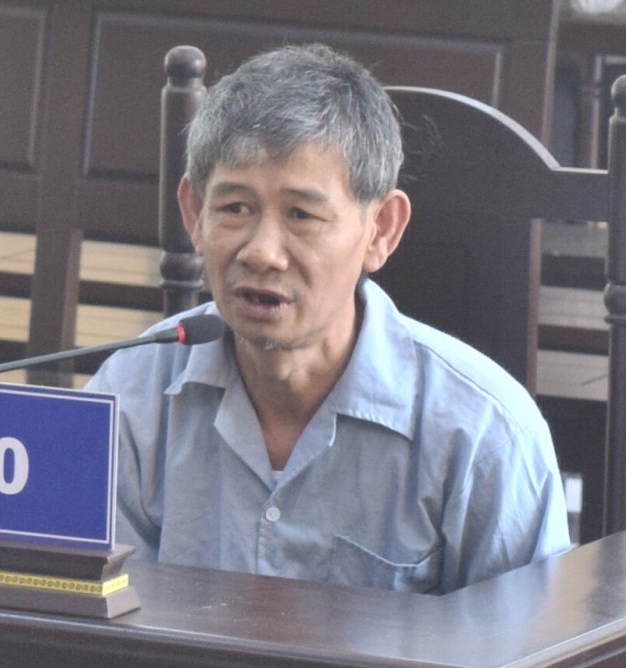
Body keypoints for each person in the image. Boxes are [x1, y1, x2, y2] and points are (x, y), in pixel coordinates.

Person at [85, 44, 570, 595]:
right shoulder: (133, 392)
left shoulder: (484, 432)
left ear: (381, 229)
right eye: (235, 208)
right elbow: (87, 614)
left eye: (302, 215)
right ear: (194, 214)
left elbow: (528, 636)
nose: (262, 253)